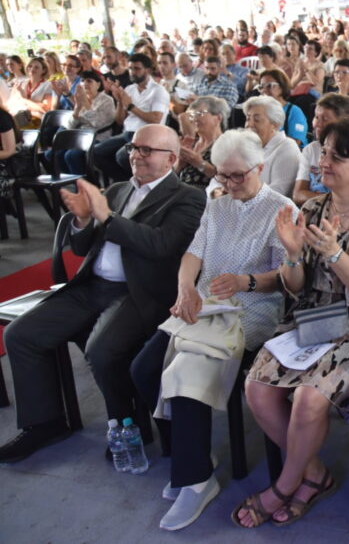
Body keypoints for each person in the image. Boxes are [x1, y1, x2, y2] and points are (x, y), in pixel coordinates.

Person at [235, 116, 349, 528]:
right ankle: (313, 473)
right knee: (257, 389)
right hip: (316, 318)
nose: (323, 161)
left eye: (337, 156)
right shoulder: (312, 208)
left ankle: (284, 484)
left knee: (308, 398)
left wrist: (335, 252)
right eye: (324, 152)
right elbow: (296, 287)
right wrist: (293, 254)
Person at [0, 125, 205, 463]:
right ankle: (44, 423)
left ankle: (129, 425)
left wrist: (106, 217)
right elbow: (82, 249)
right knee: (22, 335)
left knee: (101, 350)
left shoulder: (187, 197)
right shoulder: (119, 190)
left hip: (137, 292)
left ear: (171, 158)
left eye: (146, 150)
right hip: (91, 286)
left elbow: (162, 246)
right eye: (134, 147)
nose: (135, 154)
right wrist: (82, 221)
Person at [130, 129, 296, 530]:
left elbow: (289, 277)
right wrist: (185, 287)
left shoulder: (281, 208)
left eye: (239, 175)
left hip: (249, 310)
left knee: (188, 373)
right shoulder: (217, 203)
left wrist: (247, 282)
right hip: (204, 306)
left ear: (260, 168)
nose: (231, 183)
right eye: (224, 175)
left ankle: (195, 481)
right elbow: (194, 253)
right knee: (145, 369)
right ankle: (195, 456)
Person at [94, 53, 170, 182]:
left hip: (148, 136)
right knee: (95, 153)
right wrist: (119, 101)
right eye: (130, 68)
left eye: (137, 69)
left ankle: (139, 182)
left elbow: (155, 119)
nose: (132, 72)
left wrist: (130, 106)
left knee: (122, 156)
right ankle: (126, 182)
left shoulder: (158, 91)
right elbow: (119, 120)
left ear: (148, 70)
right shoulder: (129, 89)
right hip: (127, 133)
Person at [293, 93, 349, 205]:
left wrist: (313, 197)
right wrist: (335, 200)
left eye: (325, 119)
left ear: (344, 121)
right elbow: (298, 195)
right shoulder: (311, 149)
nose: (317, 124)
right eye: (316, 117)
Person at [240, 96, 300, 197]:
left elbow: (278, 192)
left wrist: (239, 196)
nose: (249, 124)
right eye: (248, 118)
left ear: (275, 125)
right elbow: (223, 175)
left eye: (257, 119)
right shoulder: (246, 145)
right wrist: (216, 190)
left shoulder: (287, 147)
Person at [61, 69, 116, 174]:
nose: (85, 84)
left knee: (71, 155)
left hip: (98, 137)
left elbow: (98, 123)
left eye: (89, 81)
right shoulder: (81, 99)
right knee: (54, 153)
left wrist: (86, 105)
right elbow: (70, 127)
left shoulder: (107, 100)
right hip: (80, 137)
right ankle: (70, 181)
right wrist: (77, 110)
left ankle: (87, 183)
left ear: (98, 84)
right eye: (82, 81)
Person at [175, 96, 230, 191]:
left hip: (205, 198)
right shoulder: (190, 143)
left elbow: (228, 179)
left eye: (199, 114)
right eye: (191, 115)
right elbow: (173, 175)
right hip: (179, 195)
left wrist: (200, 164)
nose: (194, 119)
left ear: (218, 118)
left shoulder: (227, 144)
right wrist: (180, 163)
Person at [257, 69, 309, 147]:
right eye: (261, 87)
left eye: (269, 86)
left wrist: (268, 133)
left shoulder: (294, 112)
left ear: (281, 87)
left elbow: (295, 143)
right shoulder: (260, 110)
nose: (264, 90)